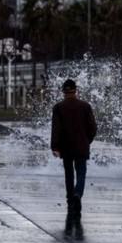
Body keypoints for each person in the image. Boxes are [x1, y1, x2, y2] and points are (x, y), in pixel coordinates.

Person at [51, 79, 97, 234]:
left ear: (63, 91)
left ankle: (71, 199)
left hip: (66, 146)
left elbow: (56, 129)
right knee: (81, 172)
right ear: (75, 91)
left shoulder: (58, 107)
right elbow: (92, 128)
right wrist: (86, 141)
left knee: (69, 173)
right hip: (82, 146)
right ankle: (78, 194)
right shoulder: (85, 106)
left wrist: (55, 146)